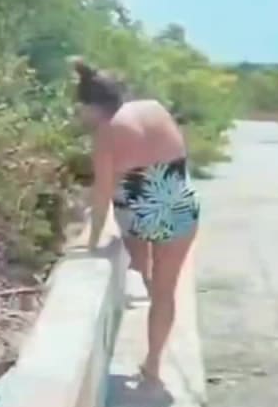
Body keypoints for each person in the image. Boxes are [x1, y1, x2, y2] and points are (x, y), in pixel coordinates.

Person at [71, 57, 200, 385]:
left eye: (81, 109)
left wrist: (91, 241)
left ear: (93, 105)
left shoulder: (107, 133)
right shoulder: (154, 108)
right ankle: (154, 363)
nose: (80, 116)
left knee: (124, 208)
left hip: (142, 210)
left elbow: (101, 197)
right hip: (181, 201)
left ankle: (141, 271)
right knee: (165, 291)